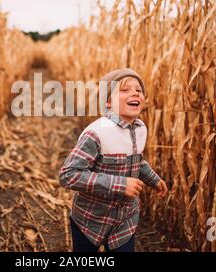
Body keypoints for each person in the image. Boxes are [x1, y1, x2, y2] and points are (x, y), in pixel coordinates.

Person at [59, 68, 168, 252]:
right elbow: (68, 175)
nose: (134, 93)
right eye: (124, 90)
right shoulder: (97, 133)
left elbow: (137, 161)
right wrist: (119, 184)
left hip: (125, 220)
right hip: (90, 219)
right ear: (108, 102)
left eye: (138, 90)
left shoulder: (140, 129)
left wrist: (153, 179)